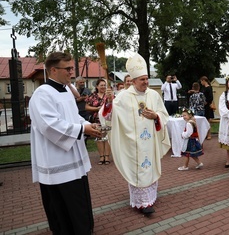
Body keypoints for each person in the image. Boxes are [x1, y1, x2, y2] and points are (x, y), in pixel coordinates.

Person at [29, 52, 101, 234]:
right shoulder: (42, 94)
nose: (71, 72)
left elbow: (73, 117)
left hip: (73, 160)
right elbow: (49, 125)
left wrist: (86, 124)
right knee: (63, 208)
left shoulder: (66, 90)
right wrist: (82, 130)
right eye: (67, 68)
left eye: (71, 68)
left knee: (79, 203)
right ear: (53, 70)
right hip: (57, 162)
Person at [104, 53, 170, 215]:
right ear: (133, 81)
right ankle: (142, 202)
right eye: (142, 79)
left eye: (147, 79)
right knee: (139, 168)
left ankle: (150, 197)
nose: (146, 82)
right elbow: (109, 116)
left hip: (151, 141)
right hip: (133, 143)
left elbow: (163, 114)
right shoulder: (123, 97)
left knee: (150, 167)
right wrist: (108, 102)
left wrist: (156, 116)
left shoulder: (153, 95)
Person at [85, 78, 112, 165]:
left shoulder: (108, 95)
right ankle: (101, 156)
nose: (103, 87)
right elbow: (87, 107)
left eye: (104, 85)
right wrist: (97, 108)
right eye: (101, 85)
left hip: (108, 119)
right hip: (97, 119)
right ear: (97, 86)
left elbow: (114, 104)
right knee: (99, 137)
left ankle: (107, 156)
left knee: (107, 137)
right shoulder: (93, 96)